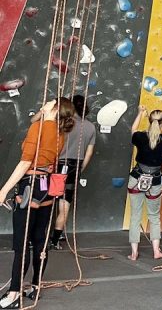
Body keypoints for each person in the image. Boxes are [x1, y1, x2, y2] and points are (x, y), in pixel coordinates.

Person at [0, 98, 75, 309]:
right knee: (40, 239)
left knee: (22, 243)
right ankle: (35, 286)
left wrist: (3, 190)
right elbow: (36, 120)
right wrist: (44, 112)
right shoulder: (59, 132)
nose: (45, 101)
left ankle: (14, 294)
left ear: (56, 109)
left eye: (50, 101)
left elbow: (25, 162)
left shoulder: (39, 128)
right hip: (46, 188)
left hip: (30, 185)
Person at [31, 94, 95, 250]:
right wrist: (79, 170)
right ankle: (55, 240)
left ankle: (36, 238)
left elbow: (34, 121)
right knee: (65, 204)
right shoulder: (90, 127)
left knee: (46, 201)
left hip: (56, 165)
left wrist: (46, 108)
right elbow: (88, 154)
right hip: (74, 166)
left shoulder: (63, 123)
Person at [128, 106, 162, 261]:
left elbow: (133, 130)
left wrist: (140, 113)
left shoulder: (140, 137)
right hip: (154, 180)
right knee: (154, 216)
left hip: (136, 178)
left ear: (149, 121)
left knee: (135, 216)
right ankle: (156, 251)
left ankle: (134, 253)